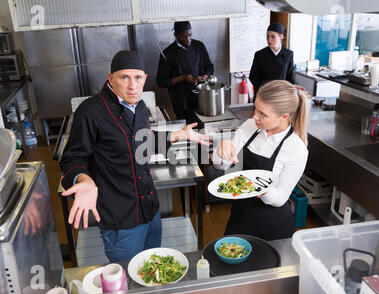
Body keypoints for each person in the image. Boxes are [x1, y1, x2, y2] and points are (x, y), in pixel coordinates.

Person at [59, 50, 211, 263]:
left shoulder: (139, 106)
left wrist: (175, 135)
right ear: (110, 78)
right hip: (120, 218)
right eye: (124, 77)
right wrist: (83, 180)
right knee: (128, 279)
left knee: (151, 266)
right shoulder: (90, 112)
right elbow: (72, 158)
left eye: (138, 78)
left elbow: (140, 141)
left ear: (144, 78)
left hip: (150, 208)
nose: (132, 86)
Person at [212, 80, 309, 241]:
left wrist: (259, 188)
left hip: (273, 227)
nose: (254, 116)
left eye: (262, 114)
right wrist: (222, 149)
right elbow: (222, 166)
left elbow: (280, 198)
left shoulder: (297, 150)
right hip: (240, 216)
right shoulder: (250, 126)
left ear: (284, 117)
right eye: (255, 109)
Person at [156, 21, 214, 121]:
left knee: (201, 127)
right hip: (180, 102)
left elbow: (209, 66)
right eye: (183, 36)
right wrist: (183, 78)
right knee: (185, 130)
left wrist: (205, 76)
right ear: (175, 35)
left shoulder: (199, 46)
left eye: (190, 35)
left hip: (200, 98)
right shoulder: (167, 54)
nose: (188, 39)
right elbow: (161, 81)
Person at [249, 22, 303, 101]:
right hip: (263, 95)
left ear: (281, 37)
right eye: (267, 36)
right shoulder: (260, 54)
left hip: (280, 96)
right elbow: (253, 76)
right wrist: (266, 88)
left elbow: (289, 76)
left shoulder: (288, 54)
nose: (269, 39)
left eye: (272, 37)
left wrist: (295, 86)